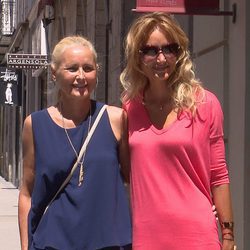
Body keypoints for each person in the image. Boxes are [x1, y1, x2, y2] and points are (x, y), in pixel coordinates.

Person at [120, 12, 235, 250]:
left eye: (169, 49)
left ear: (179, 53)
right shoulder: (128, 109)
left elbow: (219, 175)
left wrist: (228, 235)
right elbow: (122, 174)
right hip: (146, 237)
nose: (160, 58)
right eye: (150, 50)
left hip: (197, 236)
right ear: (138, 57)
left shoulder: (205, 104)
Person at [18, 36, 132, 250]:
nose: (81, 76)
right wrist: (25, 246)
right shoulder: (35, 124)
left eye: (88, 68)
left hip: (108, 243)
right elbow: (27, 193)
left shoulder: (116, 119)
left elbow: (135, 181)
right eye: (72, 68)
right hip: (52, 243)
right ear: (54, 74)